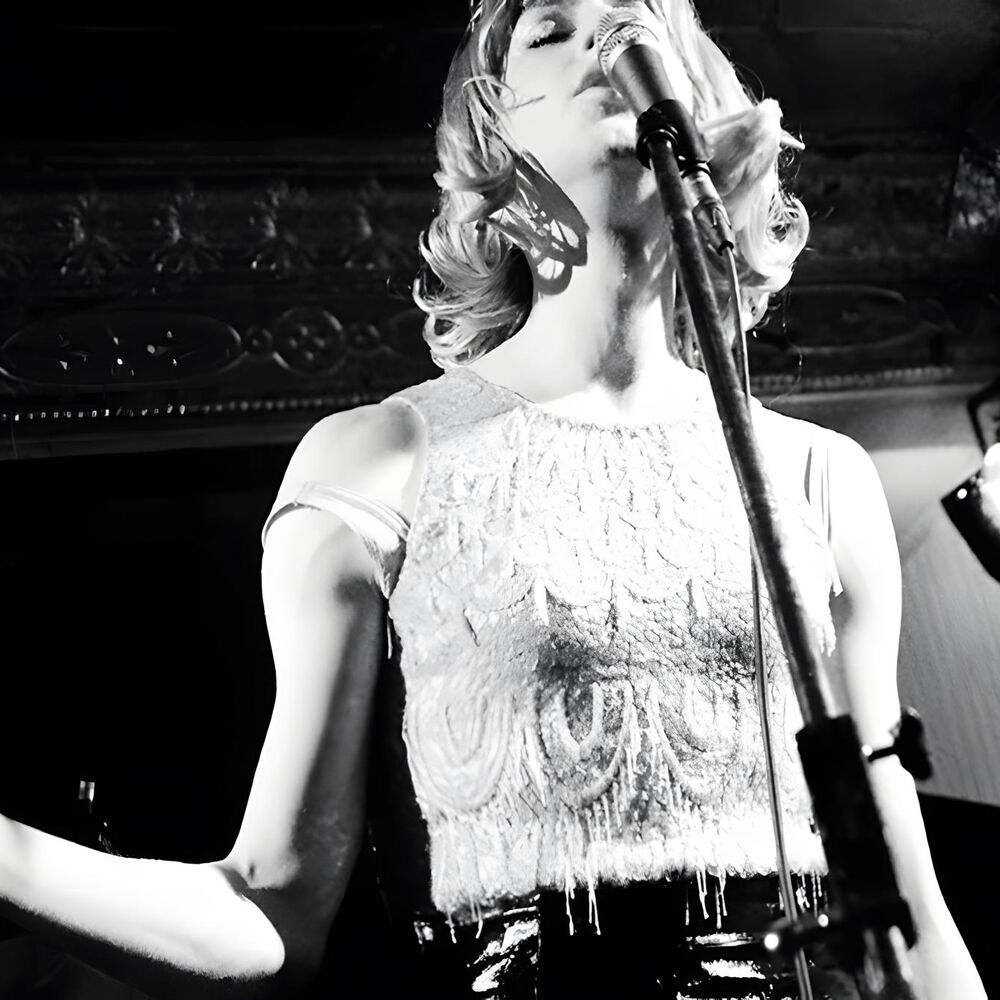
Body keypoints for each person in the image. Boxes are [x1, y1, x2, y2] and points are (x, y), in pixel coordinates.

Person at [0, 1, 987, 998]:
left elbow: (909, 916)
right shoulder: (379, 459)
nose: (604, 38)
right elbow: (270, 908)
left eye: (634, 19)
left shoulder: (821, 475)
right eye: (553, 30)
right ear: (493, 143)